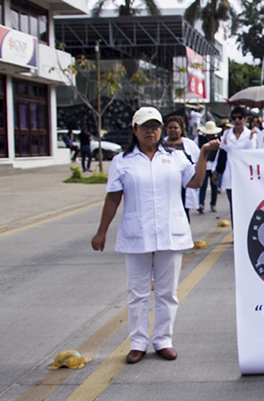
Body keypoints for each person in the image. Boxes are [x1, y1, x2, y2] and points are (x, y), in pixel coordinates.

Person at [91, 107, 219, 364]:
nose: (151, 131)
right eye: (145, 126)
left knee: (167, 292)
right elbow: (113, 197)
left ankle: (163, 340)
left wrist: (203, 155)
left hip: (169, 233)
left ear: (161, 130)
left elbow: (194, 182)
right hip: (136, 233)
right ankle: (137, 342)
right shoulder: (122, 161)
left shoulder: (174, 157)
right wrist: (101, 231)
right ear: (135, 130)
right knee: (137, 292)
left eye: (155, 126)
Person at [220, 106, 257, 226]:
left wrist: (252, 138)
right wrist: (216, 171)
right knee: (233, 206)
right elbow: (222, 153)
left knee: (245, 205)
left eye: (240, 118)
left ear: (245, 119)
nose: (237, 120)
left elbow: (252, 152)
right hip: (229, 173)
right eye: (234, 118)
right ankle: (235, 233)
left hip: (245, 174)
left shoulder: (250, 134)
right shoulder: (226, 134)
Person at [164, 116, 201, 221]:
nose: (172, 130)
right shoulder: (160, 144)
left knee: (183, 214)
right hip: (166, 183)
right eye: (170, 128)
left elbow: (198, 162)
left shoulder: (189, 144)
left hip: (184, 185)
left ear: (181, 129)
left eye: (175, 128)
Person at [196, 121, 222, 214]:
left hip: (213, 165)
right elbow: (196, 152)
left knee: (214, 185)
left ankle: (213, 204)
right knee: (202, 184)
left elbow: (219, 154)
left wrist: (216, 168)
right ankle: (201, 203)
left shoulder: (218, 140)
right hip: (204, 164)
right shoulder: (199, 139)